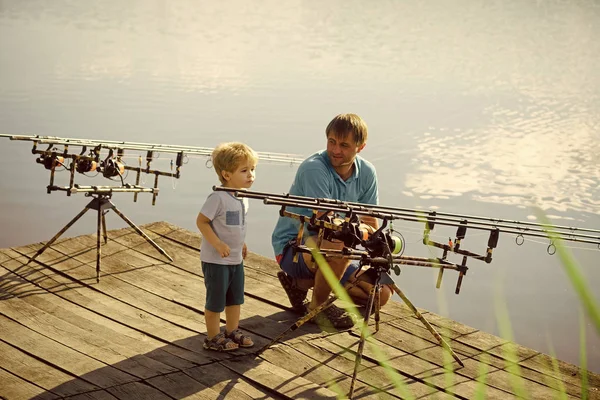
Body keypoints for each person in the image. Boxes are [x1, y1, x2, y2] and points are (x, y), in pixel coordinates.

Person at [272, 113, 392, 330]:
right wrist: (360, 231)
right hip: (294, 246)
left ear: (360, 147)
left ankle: (300, 284)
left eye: (344, 145)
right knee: (336, 245)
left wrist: (374, 245)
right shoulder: (314, 168)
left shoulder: (367, 172)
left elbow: (369, 219)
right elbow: (324, 220)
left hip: (337, 249)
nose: (336, 150)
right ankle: (317, 307)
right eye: (332, 142)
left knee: (380, 295)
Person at [197, 142, 258, 351]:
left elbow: (236, 225)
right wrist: (218, 243)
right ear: (226, 174)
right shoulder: (218, 198)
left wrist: (241, 243)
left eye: (252, 169)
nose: (251, 174)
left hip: (235, 259)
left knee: (235, 298)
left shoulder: (242, 197)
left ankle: (232, 330)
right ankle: (212, 337)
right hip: (216, 260)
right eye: (244, 170)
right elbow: (202, 222)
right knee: (215, 300)